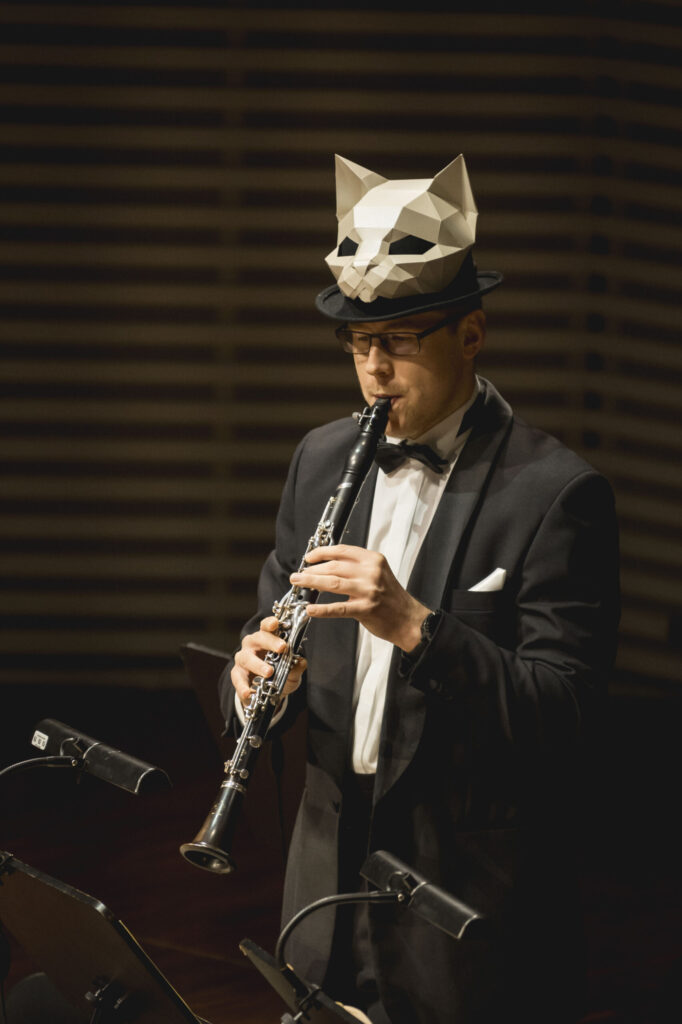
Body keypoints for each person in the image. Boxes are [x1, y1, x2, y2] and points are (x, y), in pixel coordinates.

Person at [219, 155, 620, 1023]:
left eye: (400, 341)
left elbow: (567, 716)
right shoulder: (319, 459)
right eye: (358, 343)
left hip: (462, 903)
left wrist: (416, 625)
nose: (375, 369)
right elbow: (268, 628)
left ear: (470, 335)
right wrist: (252, 685)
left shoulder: (556, 494)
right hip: (324, 881)